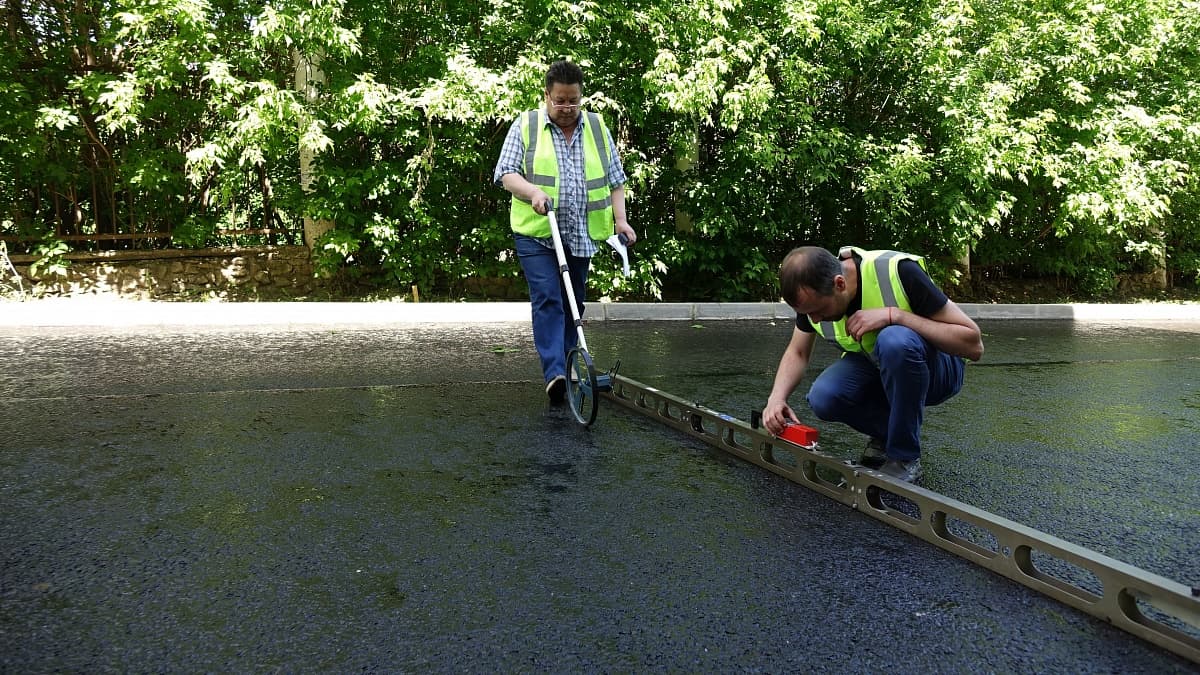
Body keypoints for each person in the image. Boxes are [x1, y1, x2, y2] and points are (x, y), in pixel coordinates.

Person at [762, 245, 984, 482]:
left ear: (839, 284)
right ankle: (891, 436)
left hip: (939, 370)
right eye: (807, 314)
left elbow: (973, 345)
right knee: (824, 396)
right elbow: (797, 352)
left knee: (894, 341)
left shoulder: (898, 272)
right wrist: (776, 398)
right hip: (878, 366)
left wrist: (895, 316)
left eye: (819, 310)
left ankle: (903, 457)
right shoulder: (812, 297)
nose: (814, 319)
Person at [494, 60, 637, 405]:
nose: (567, 108)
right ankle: (555, 373)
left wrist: (621, 220)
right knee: (548, 298)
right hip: (537, 233)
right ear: (547, 96)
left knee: (574, 302)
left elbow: (615, 181)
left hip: (582, 233)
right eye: (560, 100)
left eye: (573, 100)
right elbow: (505, 173)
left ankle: (571, 362)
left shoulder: (598, 129)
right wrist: (533, 193)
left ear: (580, 96)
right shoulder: (527, 126)